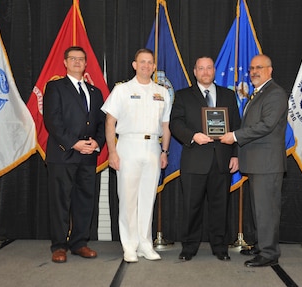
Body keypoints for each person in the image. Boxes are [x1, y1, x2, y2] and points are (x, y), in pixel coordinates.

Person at [101, 48, 171, 263]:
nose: (146, 66)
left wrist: (165, 152)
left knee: (148, 199)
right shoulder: (122, 90)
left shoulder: (162, 92)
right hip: (128, 146)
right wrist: (112, 152)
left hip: (153, 148)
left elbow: (166, 125)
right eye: (142, 62)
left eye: (150, 62)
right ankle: (129, 246)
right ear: (134, 65)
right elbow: (110, 122)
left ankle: (145, 244)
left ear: (154, 66)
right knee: (128, 199)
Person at [170, 56, 241, 261]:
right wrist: (193, 136)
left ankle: (220, 248)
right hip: (194, 161)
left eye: (209, 68)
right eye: (201, 68)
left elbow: (237, 125)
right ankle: (189, 248)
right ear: (195, 71)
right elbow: (175, 123)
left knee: (220, 207)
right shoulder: (183, 95)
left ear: (214, 70)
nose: (205, 72)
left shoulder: (228, 95)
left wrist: (235, 155)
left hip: (222, 160)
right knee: (192, 206)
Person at [220, 54, 288, 267]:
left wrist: (235, 136)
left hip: (267, 164)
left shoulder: (275, 93)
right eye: (251, 68)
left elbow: (266, 125)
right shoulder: (258, 93)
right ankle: (261, 245)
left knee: (266, 209)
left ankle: (268, 253)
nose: (254, 71)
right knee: (260, 208)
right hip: (257, 162)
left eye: (259, 67)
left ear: (270, 69)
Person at [43, 46, 106, 263]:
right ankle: (59, 246)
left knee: (85, 201)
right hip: (63, 155)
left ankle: (79, 243)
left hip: (88, 156)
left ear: (86, 64)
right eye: (73, 59)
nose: (77, 62)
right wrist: (74, 143)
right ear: (65, 62)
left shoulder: (95, 92)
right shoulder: (54, 87)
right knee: (60, 201)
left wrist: (97, 142)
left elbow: (101, 123)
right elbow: (52, 120)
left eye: (81, 59)